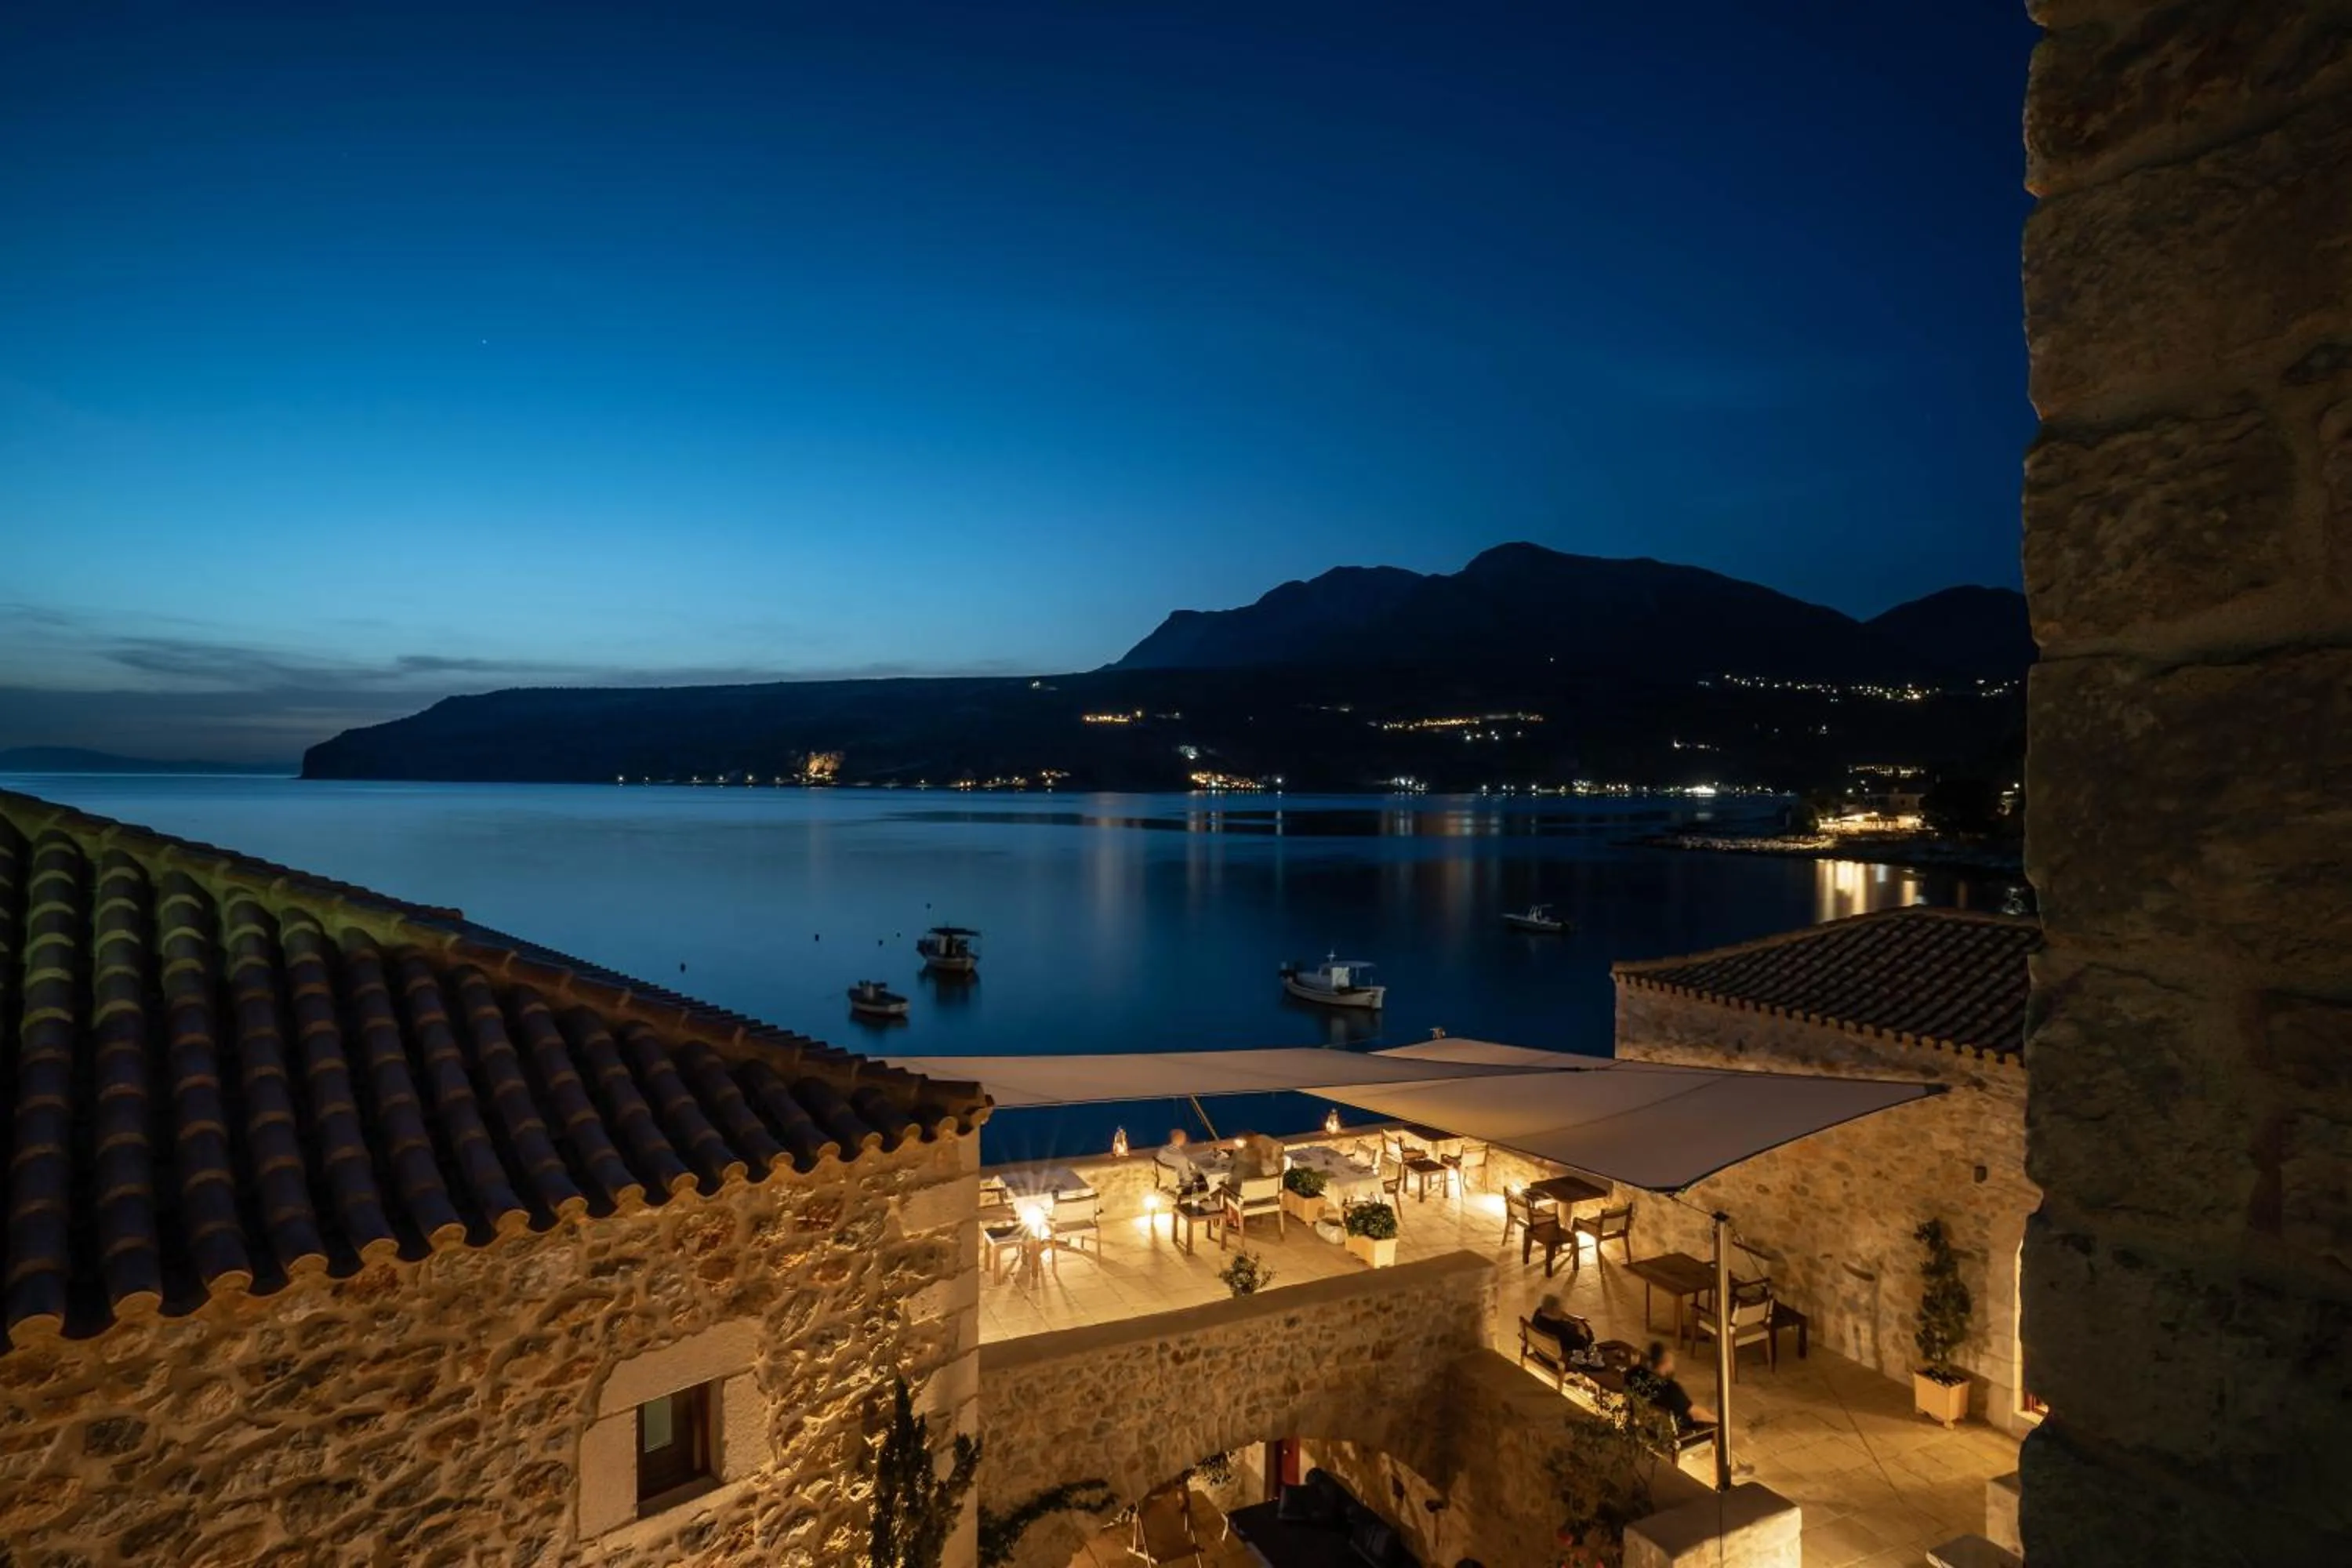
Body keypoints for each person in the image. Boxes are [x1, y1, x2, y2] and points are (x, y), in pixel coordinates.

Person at [1624, 1342, 1715, 1431]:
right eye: (1671, 1362)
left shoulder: (1633, 1374)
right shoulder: (1670, 1389)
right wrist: (1718, 1421)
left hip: (1644, 1429)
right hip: (1677, 1433)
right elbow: (1696, 1414)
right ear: (1666, 1362)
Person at [1530, 1292, 1594, 1356]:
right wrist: (1582, 1331)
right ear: (1555, 1309)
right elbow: (1580, 1344)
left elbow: (1560, 1314)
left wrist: (1570, 1318)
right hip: (1557, 1356)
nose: (1561, 1309)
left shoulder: (1539, 1312)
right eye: (1560, 1308)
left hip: (1540, 1351)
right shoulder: (1560, 1329)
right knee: (1589, 1336)